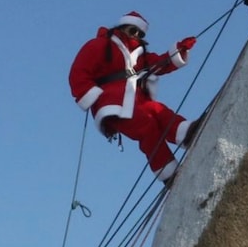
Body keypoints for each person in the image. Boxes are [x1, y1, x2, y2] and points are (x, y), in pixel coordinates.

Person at [67, 11, 201, 183]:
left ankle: (185, 133)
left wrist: (178, 52)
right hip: (112, 103)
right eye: (133, 30)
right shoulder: (99, 45)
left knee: (158, 110)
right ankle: (167, 171)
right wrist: (93, 97)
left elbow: (158, 64)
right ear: (123, 27)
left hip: (134, 98)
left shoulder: (137, 55)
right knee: (146, 127)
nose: (137, 35)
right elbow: (78, 72)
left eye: (141, 33)